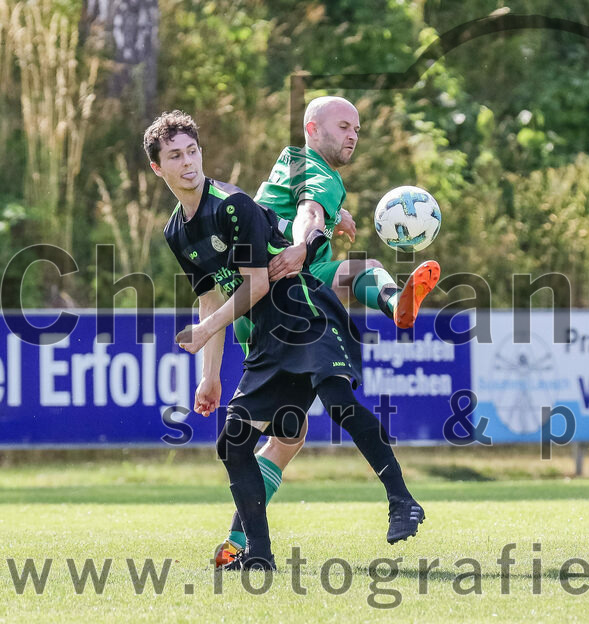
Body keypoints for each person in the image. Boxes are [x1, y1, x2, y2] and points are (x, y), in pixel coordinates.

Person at [146, 110, 426, 570]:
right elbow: (210, 295)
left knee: (336, 398)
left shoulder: (231, 204)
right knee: (236, 441)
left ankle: (401, 500)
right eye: (175, 156)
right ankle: (257, 556)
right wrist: (209, 376)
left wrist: (207, 329)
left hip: (297, 305)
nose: (187, 162)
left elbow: (256, 282)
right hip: (262, 335)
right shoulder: (177, 231)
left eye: (192, 151)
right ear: (159, 168)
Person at [214, 96, 440, 566]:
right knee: (333, 400)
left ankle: (240, 544)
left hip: (260, 314)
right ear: (313, 130)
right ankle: (395, 303)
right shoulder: (320, 174)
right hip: (287, 307)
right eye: (343, 125)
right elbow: (310, 212)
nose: (353, 134)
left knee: (286, 439)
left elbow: (297, 206)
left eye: (357, 127)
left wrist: (330, 221)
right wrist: (306, 240)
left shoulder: (288, 164)